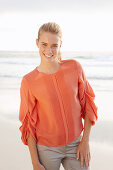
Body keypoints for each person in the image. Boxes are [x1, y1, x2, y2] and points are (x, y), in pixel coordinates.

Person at [19, 22, 98, 170]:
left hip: (76, 144)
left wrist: (85, 141)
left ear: (60, 45)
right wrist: (35, 163)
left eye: (54, 45)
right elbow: (28, 124)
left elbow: (88, 104)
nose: (49, 50)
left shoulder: (75, 67)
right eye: (44, 44)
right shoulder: (28, 81)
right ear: (37, 43)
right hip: (46, 149)